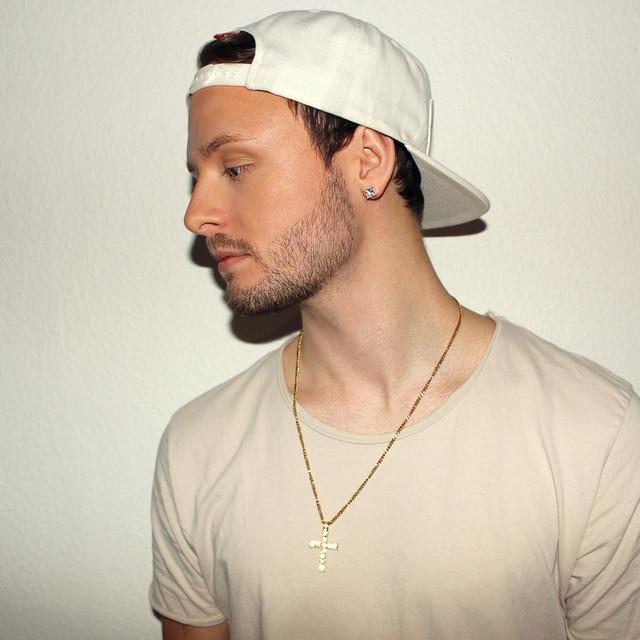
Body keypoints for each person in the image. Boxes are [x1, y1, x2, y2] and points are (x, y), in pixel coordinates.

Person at [148, 10, 640, 640]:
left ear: (369, 162)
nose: (196, 214)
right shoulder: (198, 447)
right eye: (198, 177)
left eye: (236, 168)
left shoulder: (593, 435)